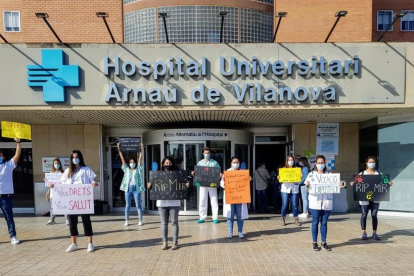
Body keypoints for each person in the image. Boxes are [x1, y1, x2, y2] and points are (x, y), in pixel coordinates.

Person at [59, 150, 99, 253]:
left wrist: (94, 184)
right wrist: (52, 185)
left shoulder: (86, 170)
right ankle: (74, 243)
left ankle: (90, 243)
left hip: (83, 200)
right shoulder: (67, 171)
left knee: (86, 221)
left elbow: (93, 181)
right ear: (71, 159)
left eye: (76, 157)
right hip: (71, 201)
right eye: (73, 157)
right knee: (72, 222)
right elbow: (61, 183)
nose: (75, 159)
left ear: (80, 158)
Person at [305, 155, 346, 251]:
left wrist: (342, 184)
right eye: (318, 163)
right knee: (315, 222)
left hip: (327, 203)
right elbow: (307, 189)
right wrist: (307, 186)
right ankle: (314, 242)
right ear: (315, 164)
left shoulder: (330, 175)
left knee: (324, 223)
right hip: (315, 202)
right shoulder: (311, 175)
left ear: (325, 163)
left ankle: (324, 242)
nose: (320, 165)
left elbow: (339, 185)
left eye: (322, 163)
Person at [147, 156, 189, 250]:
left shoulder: (178, 174)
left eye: (170, 163)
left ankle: (175, 242)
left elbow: (184, 183)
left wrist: (186, 184)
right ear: (163, 164)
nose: (168, 165)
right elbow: (152, 185)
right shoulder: (157, 175)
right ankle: (164, 242)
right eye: (166, 163)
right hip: (162, 203)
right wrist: (149, 185)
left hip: (174, 202)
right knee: (164, 223)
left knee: (174, 222)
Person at [350, 156, 393, 241]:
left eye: (373, 162)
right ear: (366, 163)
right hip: (364, 197)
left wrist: (390, 183)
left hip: (376, 197)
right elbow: (353, 182)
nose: (371, 163)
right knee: (364, 214)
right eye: (370, 162)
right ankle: (364, 232)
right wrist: (352, 183)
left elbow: (388, 182)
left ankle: (374, 233)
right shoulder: (362, 174)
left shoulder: (379, 174)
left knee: (374, 214)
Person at [221, 156, 249, 239]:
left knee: (240, 215)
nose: (236, 164)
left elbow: (247, 182)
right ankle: (230, 232)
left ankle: (240, 231)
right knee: (230, 215)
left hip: (240, 198)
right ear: (231, 163)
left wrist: (249, 178)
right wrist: (224, 182)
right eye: (234, 162)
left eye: (237, 162)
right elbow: (222, 184)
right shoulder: (227, 173)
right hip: (231, 197)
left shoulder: (242, 172)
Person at [0, 138, 22, 245]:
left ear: (3, 157)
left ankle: (13, 236)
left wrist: (18, 143)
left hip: (5, 197)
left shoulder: (8, 166)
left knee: (9, 218)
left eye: (0, 156)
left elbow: (17, 155)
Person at [118, 143, 145, 227]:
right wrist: (119, 149)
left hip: (136, 188)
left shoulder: (138, 169)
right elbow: (122, 159)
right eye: (131, 162)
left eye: (133, 162)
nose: (132, 163)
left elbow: (140, 159)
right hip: (128, 188)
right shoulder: (126, 169)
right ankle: (127, 220)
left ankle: (140, 220)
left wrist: (141, 149)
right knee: (127, 205)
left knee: (138, 205)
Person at [194, 147, 221, 224]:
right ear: (203, 153)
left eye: (208, 153)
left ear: (210, 154)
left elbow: (218, 171)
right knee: (202, 200)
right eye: (205, 153)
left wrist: (220, 174)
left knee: (214, 200)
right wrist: (194, 173)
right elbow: (197, 172)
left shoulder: (214, 163)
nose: (207, 154)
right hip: (203, 184)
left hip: (212, 184)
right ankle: (202, 217)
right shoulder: (200, 163)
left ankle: (215, 217)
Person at [45, 158, 68, 225]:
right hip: (53, 193)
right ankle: (52, 219)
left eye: (57, 163)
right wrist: (46, 181)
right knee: (53, 207)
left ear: (60, 164)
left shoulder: (63, 173)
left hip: (61, 193)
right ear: (53, 165)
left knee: (64, 206)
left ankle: (67, 219)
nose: (56, 165)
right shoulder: (51, 173)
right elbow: (49, 183)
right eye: (55, 163)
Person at [279, 156, 301, 226]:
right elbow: (281, 180)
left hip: (294, 189)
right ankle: (283, 218)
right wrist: (279, 178)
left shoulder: (297, 169)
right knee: (284, 204)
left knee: (295, 205)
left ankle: (296, 218)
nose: (291, 161)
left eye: (292, 160)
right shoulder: (283, 169)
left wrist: (300, 176)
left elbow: (299, 179)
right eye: (289, 160)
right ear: (287, 161)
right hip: (285, 189)